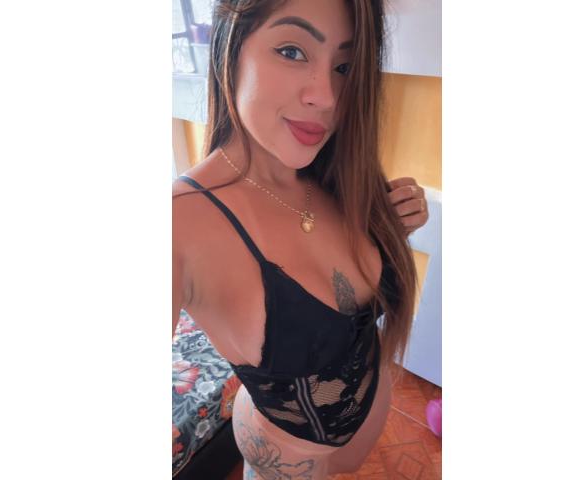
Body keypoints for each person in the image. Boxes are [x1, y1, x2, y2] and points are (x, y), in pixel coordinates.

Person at [172, 0, 428, 477]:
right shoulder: (178, 223)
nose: (327, 97)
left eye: (345, 67)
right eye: (291, 51)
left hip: (363, 430)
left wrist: (391, 231)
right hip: (286, 458)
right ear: (231, 47)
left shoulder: (333, 177)